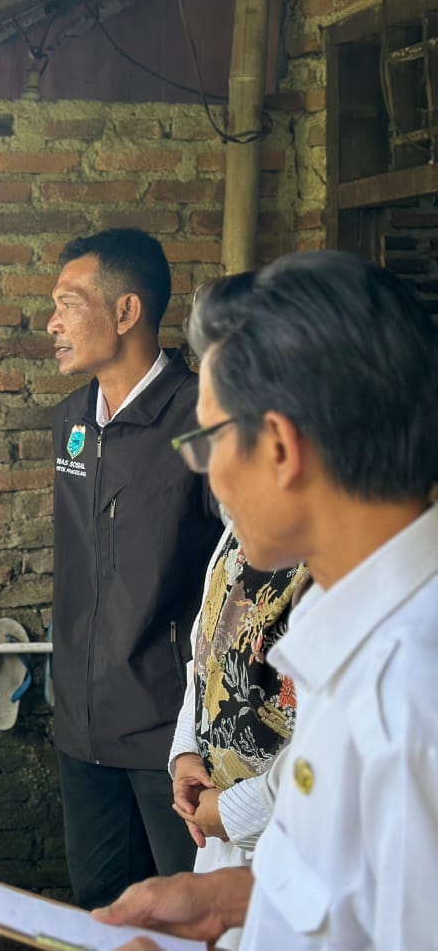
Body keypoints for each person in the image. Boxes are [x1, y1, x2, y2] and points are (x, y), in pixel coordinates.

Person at [93, 250, 438, 949]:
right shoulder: (345, 621)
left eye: (211, 437)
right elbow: (360, 885)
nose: (208, 471)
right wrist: (230, 901)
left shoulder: (413, 694)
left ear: (280, 446)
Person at [47, 228, 222, 909]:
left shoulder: (198, 419)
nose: (53, 323)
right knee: (102, 908)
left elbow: (237, 571)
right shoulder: (71, 423)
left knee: (182, 913)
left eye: (68, 303)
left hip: (170, 736)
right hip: (80, 729)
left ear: (126, 312)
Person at [167, 523, 307, 950]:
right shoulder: (239, 529)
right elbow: (205, 654)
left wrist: (236, 812)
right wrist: (187, 754)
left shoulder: (332, 563)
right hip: (220, 833)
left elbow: (338, 742)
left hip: (291, 833)